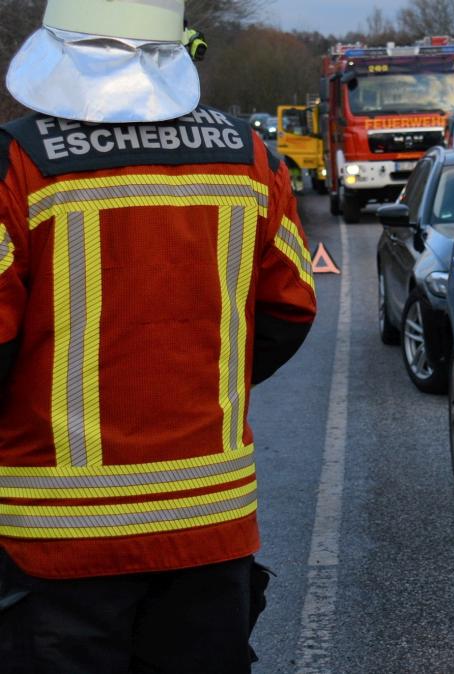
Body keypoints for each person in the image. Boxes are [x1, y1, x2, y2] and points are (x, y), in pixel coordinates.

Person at [0, 1, 317, 672]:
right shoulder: (250, 157)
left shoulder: (17, 166)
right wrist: (198, 375)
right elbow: (290, 308)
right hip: (210, 528)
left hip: (55, 541)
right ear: (181, 49)